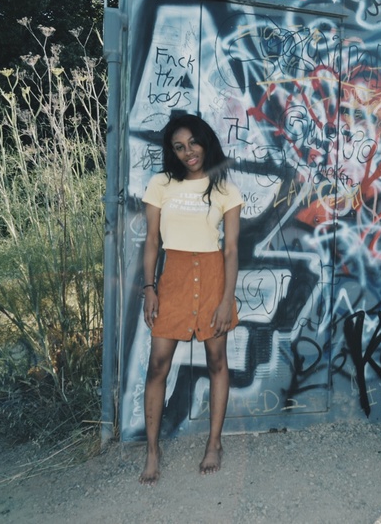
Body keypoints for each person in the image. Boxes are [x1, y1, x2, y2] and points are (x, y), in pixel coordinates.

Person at [138, 113, 243, 485]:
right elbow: (152, 241)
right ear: (172, 151)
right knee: (158, 364)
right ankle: (152, 449)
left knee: (217, 360)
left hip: (214, 276)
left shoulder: (225, 190)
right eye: (179, 147)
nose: (188, 153)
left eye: (193, 144)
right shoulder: (161, 185)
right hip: (174, 278)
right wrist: (149, 288)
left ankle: (214, 443)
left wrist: (226, 299)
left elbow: (230, 250)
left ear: (205, 141)